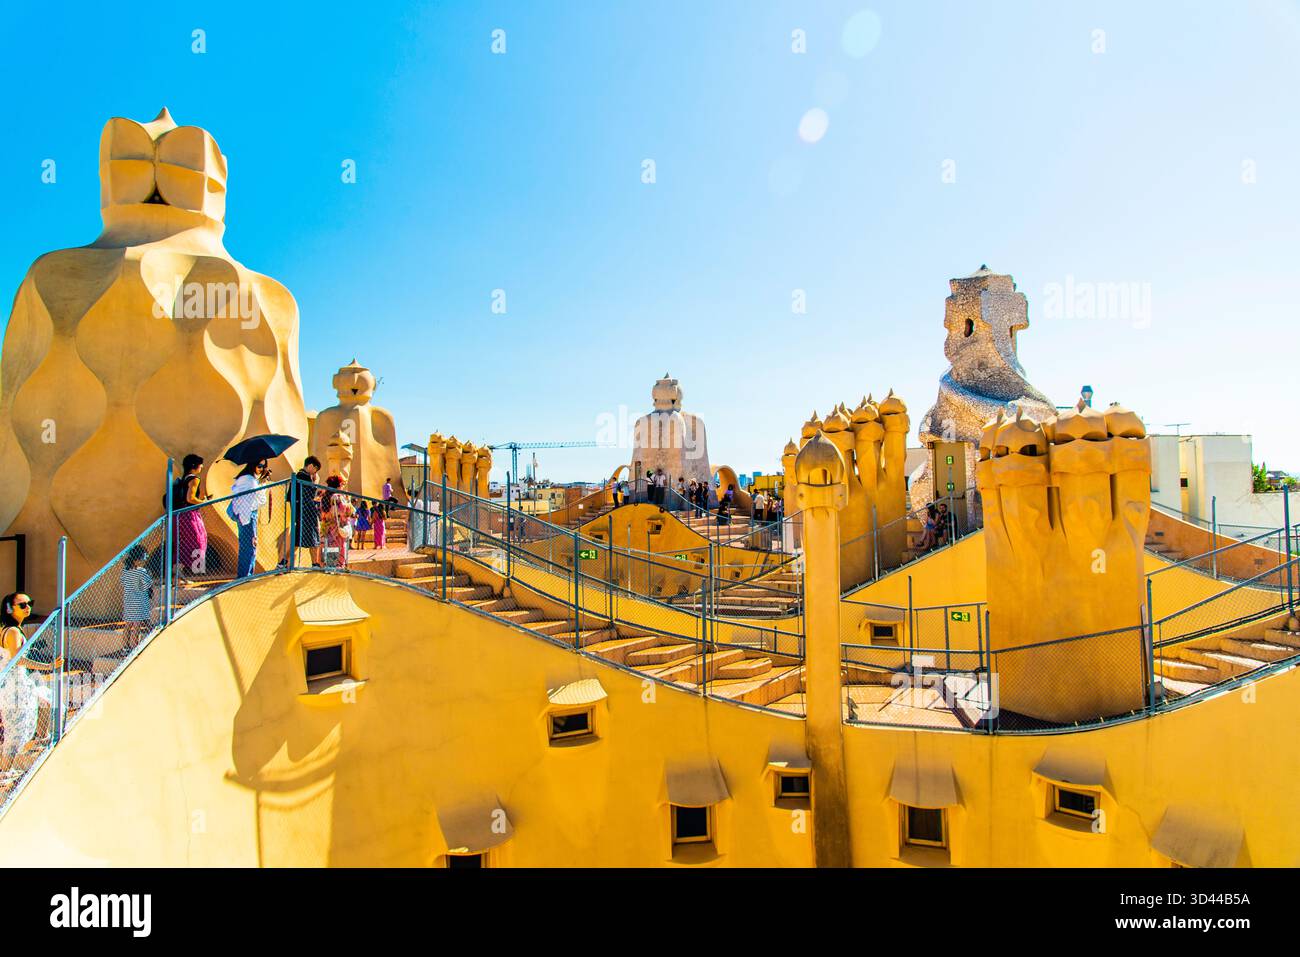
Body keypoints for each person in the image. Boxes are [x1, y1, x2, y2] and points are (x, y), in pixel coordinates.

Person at [0, 593, 61, 776]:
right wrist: (48, 666)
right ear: (9, 609)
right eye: (22, 604)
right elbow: (19, 660)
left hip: (18, 683)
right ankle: (5, 771)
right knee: (16, 730)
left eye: (30, 603)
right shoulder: (11, 632)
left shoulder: (11, 630)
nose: (28, 607)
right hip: (15, 686)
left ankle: (42, 737)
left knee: (46, 701)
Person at [170, 453, 209, 585]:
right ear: (195, 466)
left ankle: (178, 576)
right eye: (200, 464)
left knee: (183, 544)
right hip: (189, 515)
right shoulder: (194, 479)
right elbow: (190, 498)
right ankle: (180, 575)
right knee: (198, 541)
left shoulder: (183, 479)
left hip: (179, 515)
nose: (202, 466)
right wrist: (203, 502)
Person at [230, 459, 269, 578]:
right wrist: (262, 484)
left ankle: (243, 575)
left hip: (242, 514)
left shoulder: (244, 478)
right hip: (248, 515)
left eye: (263, 467)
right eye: (259, 466)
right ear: (253, 465)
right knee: (251, 546)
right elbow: (260, 500)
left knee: (245, 546)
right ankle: (246, 576)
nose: (261, 469)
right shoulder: (251, 481)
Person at [288, 456, 324, 567]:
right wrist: (315, 483)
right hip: (307, 514)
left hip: (301, 513)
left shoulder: (298, 476)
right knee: (313, 540)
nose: (315, 473)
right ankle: (317, 564)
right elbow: (309, 496)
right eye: (315, 469)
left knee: (298, 539)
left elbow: (291, 496)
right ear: (311, 466)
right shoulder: (304, 477)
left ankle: (284, 562)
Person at [121, 544, 154, 649]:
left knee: (128, 625)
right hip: (140, 601)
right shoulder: (142, 571)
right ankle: (135, 646)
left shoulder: (125, 571)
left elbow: (123, 582)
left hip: (129, 600)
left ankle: (125, 647)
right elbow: (147, 584)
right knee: (137, 625)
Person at [322, 476, 356, 568]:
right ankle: (340, 565)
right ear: (338, 485)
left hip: (329, 526)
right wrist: (349, 502)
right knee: (341, 546)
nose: (343, 487)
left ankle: (330, 565)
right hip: (339, 526)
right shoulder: (338, 496)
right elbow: (345, 512)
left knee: (330, 545)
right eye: (342, 484)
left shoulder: (325, 496)